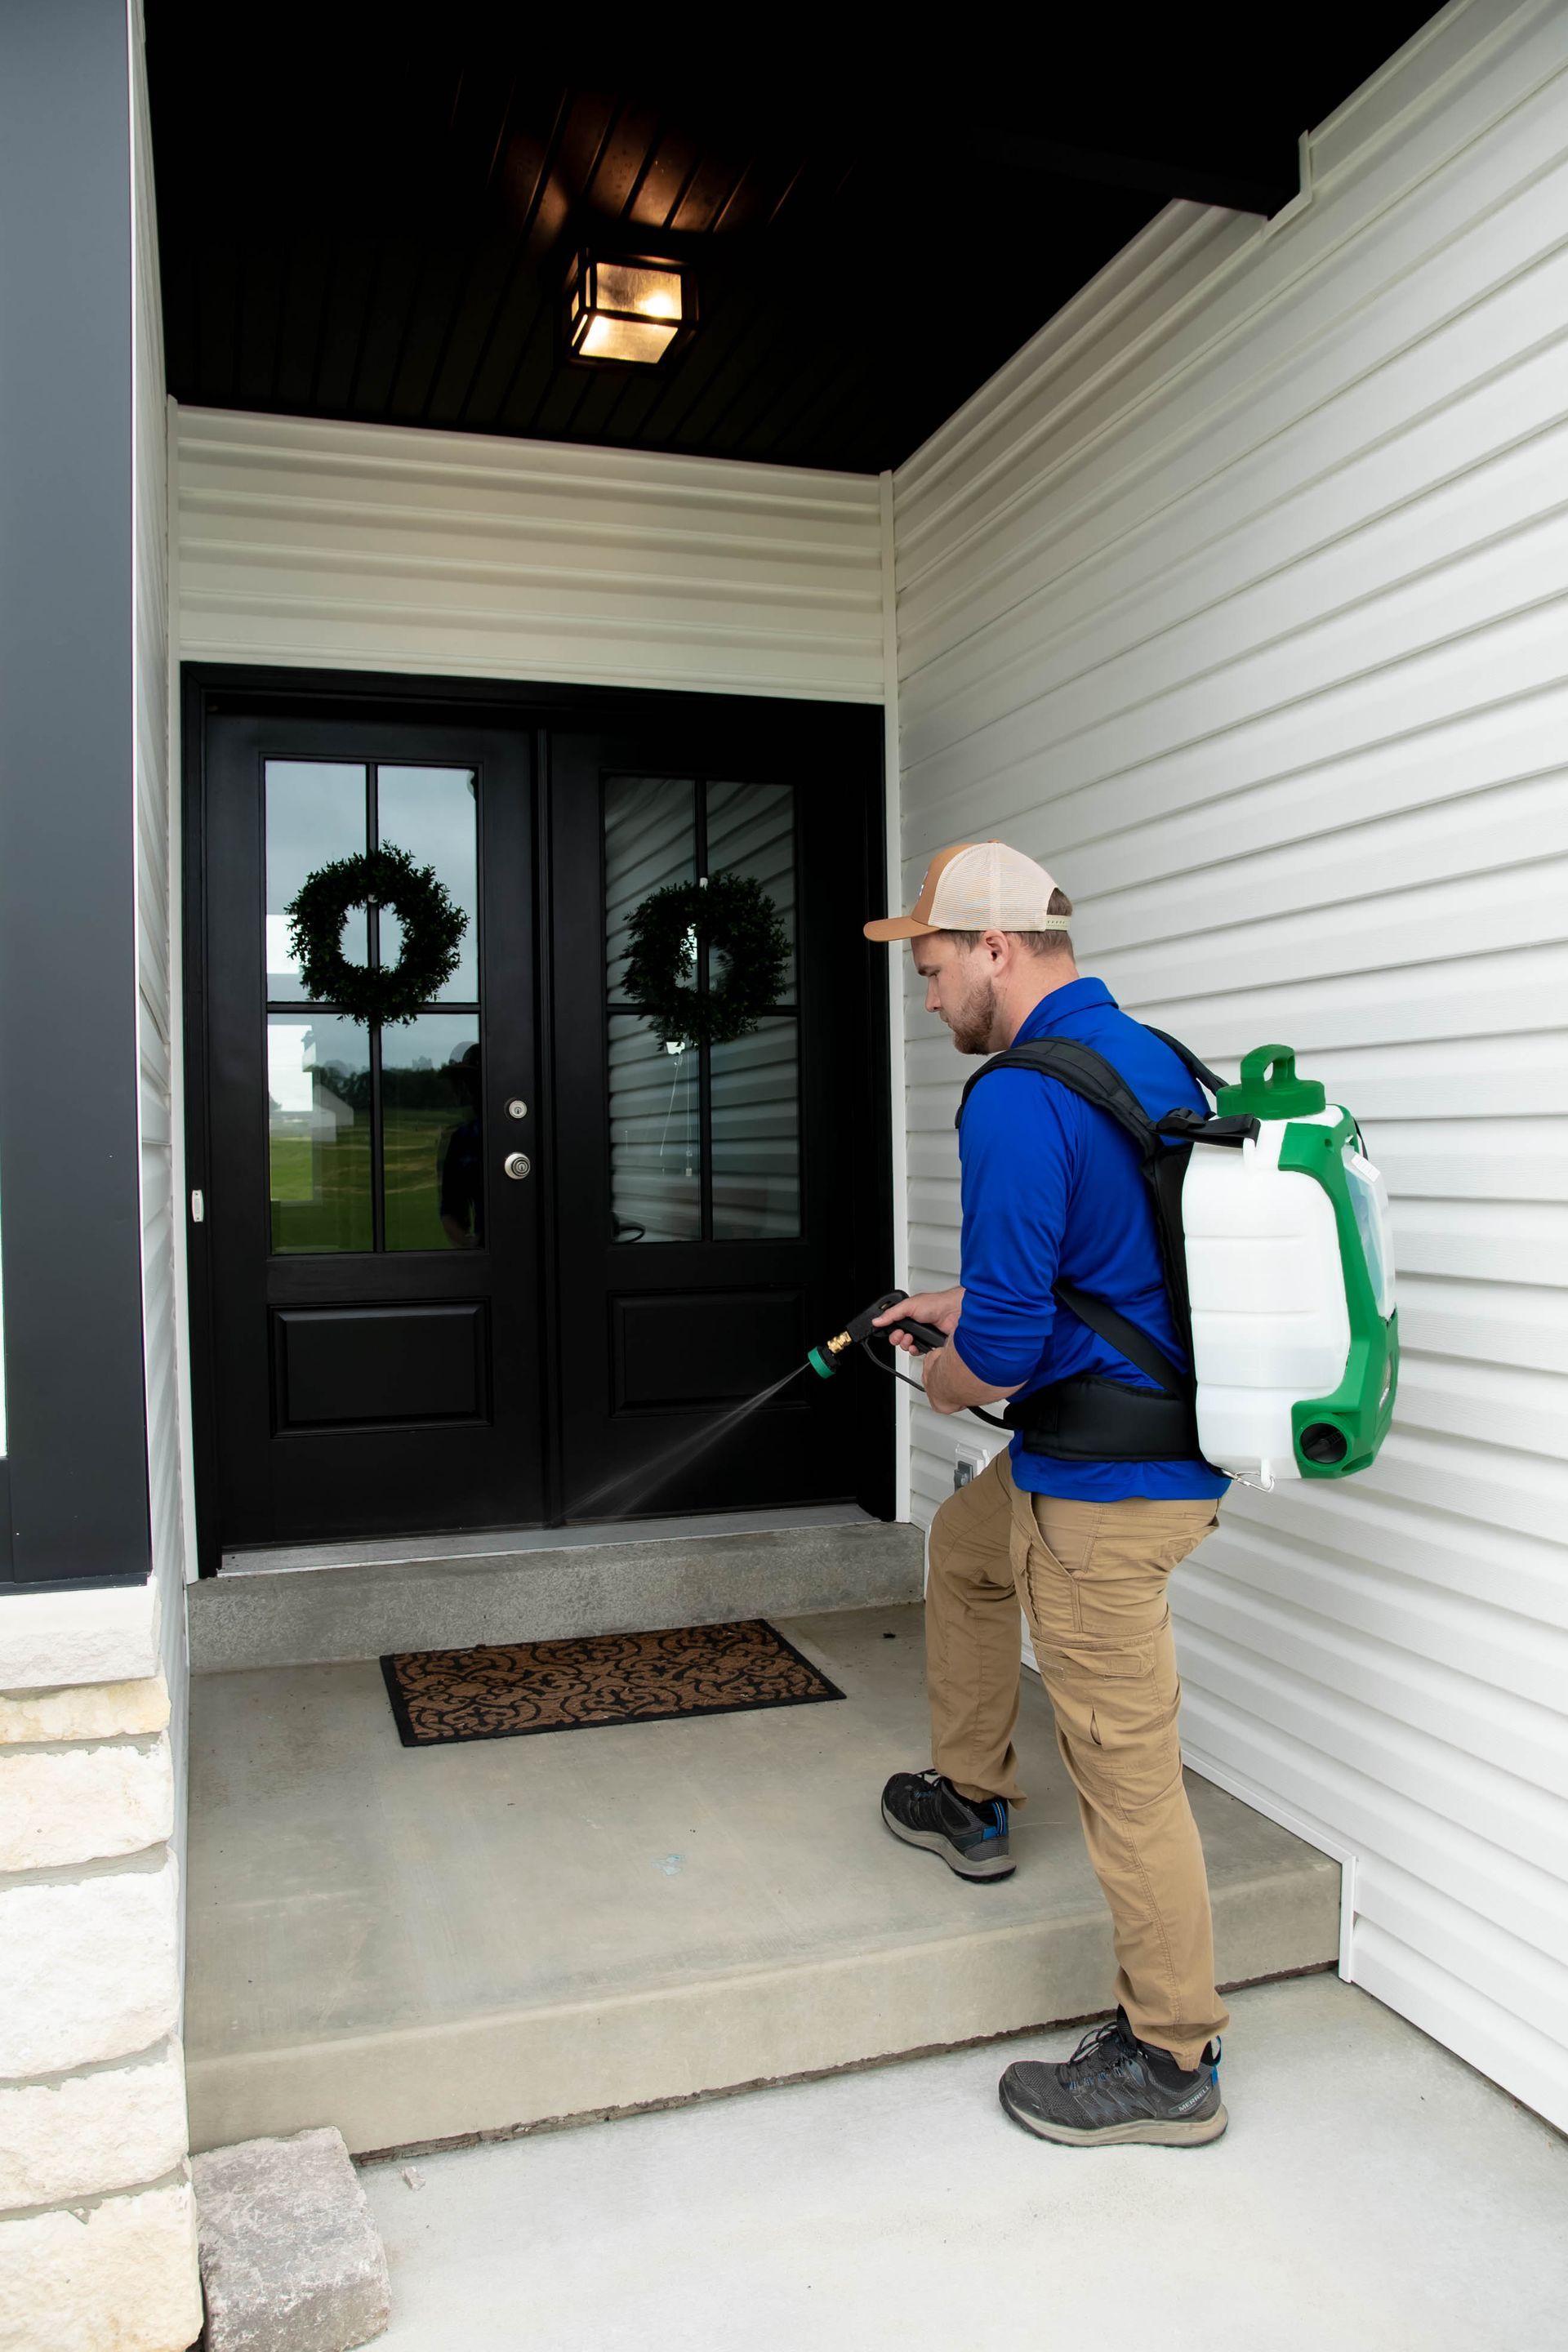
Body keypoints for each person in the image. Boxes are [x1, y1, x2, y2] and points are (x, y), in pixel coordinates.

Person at [864, 840, 1232, 2149]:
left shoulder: (1018, 1096)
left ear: (997, 950)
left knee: (1126, 1770)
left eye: (933, 967)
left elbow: (1007, 1352)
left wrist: (942, 1374)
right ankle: (969, 1795)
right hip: (1143, 1433)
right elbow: (1114, 1262)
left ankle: (1169, 2057)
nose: (927, 997)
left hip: (1104, 1486)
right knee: (965, 1552)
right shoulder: (1150, 1056)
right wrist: (956, 1308)